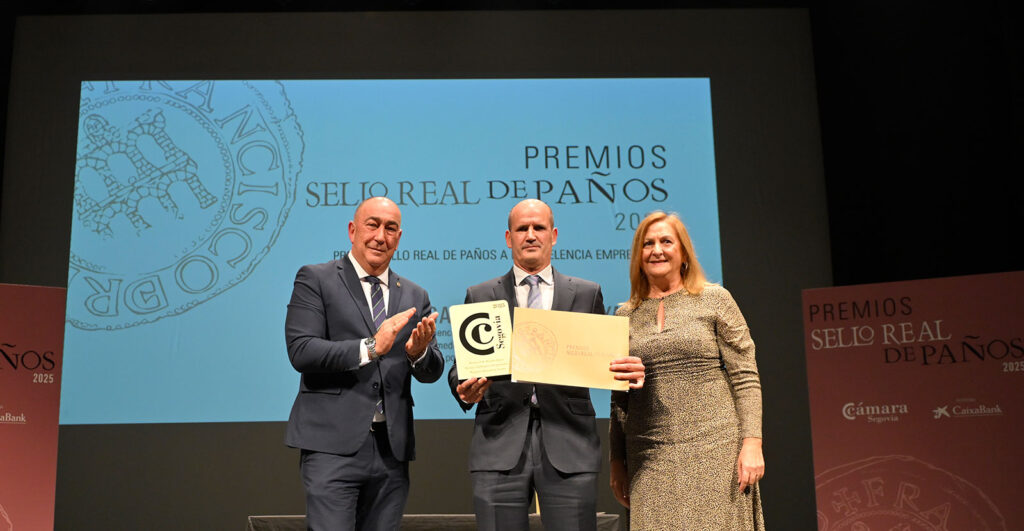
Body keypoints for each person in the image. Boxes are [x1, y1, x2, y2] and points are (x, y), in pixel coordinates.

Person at [449, 199, 645, 531]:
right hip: (499, 443)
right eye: (521, 229)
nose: (530, 235)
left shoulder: (587, 293)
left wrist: (627, 371)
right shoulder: (481, 294)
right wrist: (464, 388)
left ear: (553, 235)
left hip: (569, 441)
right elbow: (463, 366)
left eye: (538, 227)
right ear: (508, 238)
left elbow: (605, 360)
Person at [284, 197, 445, 530]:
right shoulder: (316, 278)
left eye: (390, 228)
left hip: (391, 452)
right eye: (372, 225)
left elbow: (433, 370)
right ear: (352, 230)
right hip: (331, 447)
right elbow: (302, 350)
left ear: (399, 237)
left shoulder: (415, 295)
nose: (380, 236)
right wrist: (371, 347)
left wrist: (418, 353)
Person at [609, 211, 765, 530]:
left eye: (666, 241)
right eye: (648, 244)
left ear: (683, 253)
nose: (657, 250)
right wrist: (616, 461)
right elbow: (619, 398)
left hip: (715, 446)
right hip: (648, 452)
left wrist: (752, 443)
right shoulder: (625, 315)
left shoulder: (714, 299)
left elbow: (745, 375)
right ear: (638, 256)